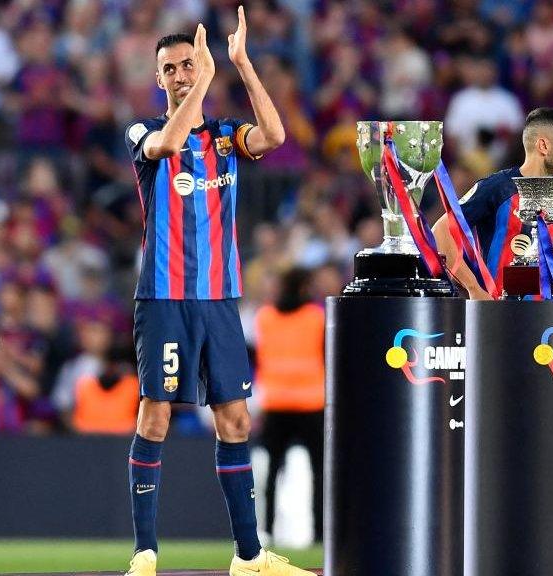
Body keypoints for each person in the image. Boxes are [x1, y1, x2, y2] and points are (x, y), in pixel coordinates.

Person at [121, 9, 311, 576]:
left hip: (220, 299)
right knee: (155, 416)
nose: (180, 75)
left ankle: (249, 558)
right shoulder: (143, 132)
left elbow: (275, 135)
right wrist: (204, 78)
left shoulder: (228, 137)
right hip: (164, 299)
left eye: (187, 65)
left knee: (236, 422)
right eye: (170, 69)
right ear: (158, 79)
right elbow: (168, 144)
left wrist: (242, 65)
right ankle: (145, 553)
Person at [432, 107, 553, 300]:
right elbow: (441, 231)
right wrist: (474, 289)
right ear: (543, 146)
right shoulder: (498, 188)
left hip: (551, 321)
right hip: (499, 319)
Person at [254, 268, 325, 543]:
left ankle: (268, 531)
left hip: (276, 401)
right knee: (319, 471)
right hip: (310, 402)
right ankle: (320, 532)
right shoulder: (315, 317)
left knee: (272, 471)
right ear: (305, 287)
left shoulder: (265, 317)